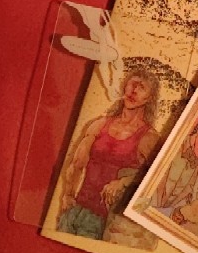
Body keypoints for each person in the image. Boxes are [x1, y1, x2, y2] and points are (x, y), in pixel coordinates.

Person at [57, 70, 161, 240]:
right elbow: (77, 163)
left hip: (105, 221)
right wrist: (67, 195)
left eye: (141, 87)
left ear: (149, 98)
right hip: (75, 209)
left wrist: (124, 182)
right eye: (132, 83)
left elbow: (157, 179)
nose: (134, 90)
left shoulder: (149, 137)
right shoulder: (100, 124)